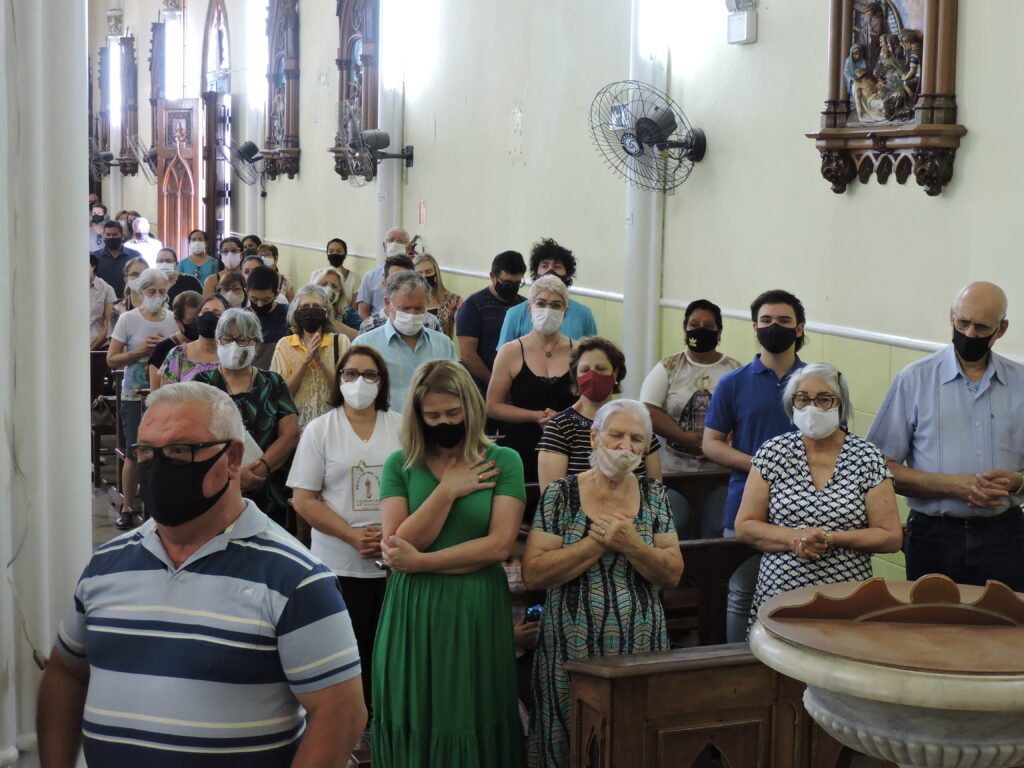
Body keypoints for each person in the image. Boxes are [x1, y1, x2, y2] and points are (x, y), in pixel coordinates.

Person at [37, 382, 366, 767]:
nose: (158, 468)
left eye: (180, 451)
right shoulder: (105, 566)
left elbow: (340, 714)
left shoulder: (295, 578)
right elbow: (66, 672)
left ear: (231, 459)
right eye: (147, 451)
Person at [372, 360, 526, 766]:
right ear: (418, 417)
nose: (445, 423)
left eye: (454, 414)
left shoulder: (504, 460)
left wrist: (422, 562)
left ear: (471, 410)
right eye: (434, 415)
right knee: (418, 709)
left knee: (471, 711)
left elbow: (498, 546)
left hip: (476, 606)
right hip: (413, 609)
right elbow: (397, 543)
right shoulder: (400, 464)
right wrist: (446, 492)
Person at [523, 399, 683, 767]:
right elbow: (535, 572)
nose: (625, 447)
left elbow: (672, 572)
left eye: (636, 440)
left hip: (640, 644)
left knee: (632, 742)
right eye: (616, 436)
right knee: (569, 742)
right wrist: (596, 543)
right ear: (594, 438)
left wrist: (631, 544)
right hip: (570, 649)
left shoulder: (655, 496)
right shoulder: (560, 495)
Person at [867, 281, 1024, 590]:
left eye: (981, 327)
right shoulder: (914, 380)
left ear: (1001, 329)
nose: (969, 335)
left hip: (1006, 536)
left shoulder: (1020, 384)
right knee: (931, 630)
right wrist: (953, 486)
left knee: (1005, 632)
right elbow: (876, 467)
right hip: (934, 536)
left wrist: (1018, 482)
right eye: (962, 323)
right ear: (951, 317)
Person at [736, 363, 902, 635]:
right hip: (780, 596)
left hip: (846, 600)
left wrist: (829, 538)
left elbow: (890, 536)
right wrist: (795, 537)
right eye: (802, 398)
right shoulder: (772, 453)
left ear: (841, 405)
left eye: (824, 399)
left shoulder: (866, 457)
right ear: (792, 405)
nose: (812, 407)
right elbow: (745, 526)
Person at [288, 345, 401, 716]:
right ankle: (351, 719)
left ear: (381, 382)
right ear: (340, 380)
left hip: (394, 558)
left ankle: (384, 718)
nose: (359, 382)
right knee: (348, 649)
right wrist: (352, 536)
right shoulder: (321, 429)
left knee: (389, 647)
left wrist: (391, 535)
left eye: (370, 375)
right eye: (351, 374)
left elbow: (417, 488)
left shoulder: (400, 426)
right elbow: (304, 500)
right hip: (338, 561)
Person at [702, 289, 808, 642]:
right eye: (766, 321)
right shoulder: (733, 383)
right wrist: (762, 465)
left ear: (799, 328)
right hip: (745, 504)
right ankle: (737, 670)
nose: (773, 327)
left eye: (783, 321)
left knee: (797, 598)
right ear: (754, 327)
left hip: (805, 507)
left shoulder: (818, 382)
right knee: (741, 592)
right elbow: (711, 443)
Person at [196, 308, 299, 526]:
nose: (234, 346)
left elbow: (289, 434)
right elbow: (194, 436)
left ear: (256, 344)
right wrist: (232, 474)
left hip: (267, 486)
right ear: (218, 341)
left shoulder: (273, 382)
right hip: (216, 484)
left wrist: (262, 467)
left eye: (243, 339)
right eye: (228, 339)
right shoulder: (202, 384)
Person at [106, 267, 180, 529]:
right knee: (135, 451)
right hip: (133, 392)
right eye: (151, 291)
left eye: (162, 291)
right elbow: (112, 358)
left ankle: (163, 500)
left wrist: (163, 350)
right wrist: (140, 351)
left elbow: (181, 350)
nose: (157, 296)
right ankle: (128, 505)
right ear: (140, 292)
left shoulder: (173, 319)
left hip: (166, 392)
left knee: (166, 448)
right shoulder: (128, 319)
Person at [538, 336, 661, 490]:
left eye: (601, 369)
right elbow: (552, 499)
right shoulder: (559, 427)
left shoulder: (637, 422)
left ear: (615, 373)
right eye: (584, 370)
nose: (592, 376)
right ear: (576, 376)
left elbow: (656, 490)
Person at [488, 274, 577, 483]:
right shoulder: (510, 351)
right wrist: (536, 416)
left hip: (570, 449)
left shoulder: (579, 351)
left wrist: (561, 419)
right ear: (530, 308)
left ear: (566, 311)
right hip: (522, 447)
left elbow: (594, 405)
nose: (548, 310)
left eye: (556, 305)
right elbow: (493, 406)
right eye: (541, 303)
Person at [640, 299, 742, 472]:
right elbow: (648, 409)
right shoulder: (668, 367)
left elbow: (746, 415)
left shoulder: (735, 370)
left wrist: (719, 444)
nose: (700, 330)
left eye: (708, 326)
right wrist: (685, 438)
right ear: (685, 330)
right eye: (694, 324)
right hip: (671, 471)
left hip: (721, 471)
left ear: (719, 333)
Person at [356, 270, 457, 412]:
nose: (412, 314)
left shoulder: (444, 345)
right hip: (386, 427)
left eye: (419, 308)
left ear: (427, 304)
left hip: (431, 428)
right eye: (405, 308)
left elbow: (454, 388)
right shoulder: (365, 345)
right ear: (388, 303)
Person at [271, 284, 351, 430]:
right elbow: (282, 395)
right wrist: (305, 361)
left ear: (325, 312)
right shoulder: (284, 345)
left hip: (333, 427)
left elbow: (345, 392)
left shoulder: (340, 342)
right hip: (296, 429)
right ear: (297, 312)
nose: (311, 310)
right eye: (305, 306)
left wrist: (321, 362)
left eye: (316, 306)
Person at [497, 238, 598, 348]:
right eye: (545, 266)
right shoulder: (514, 314)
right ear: (536, 273)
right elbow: (504, 358)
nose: (551, 271)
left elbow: (592, 355)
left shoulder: (584, 314)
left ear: (568, 275)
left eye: (557, 266)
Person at [456, 249, 528, 394]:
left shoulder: (525, 306)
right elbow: (468, 355)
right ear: (492, 277)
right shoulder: (473, 306)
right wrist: (496, 384)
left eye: (517, 283)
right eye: (507, 283)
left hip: (517, 383)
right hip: (481, 385)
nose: (512, 288)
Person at [356, 255, 445, 335]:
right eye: (395, 279)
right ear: (384, 284)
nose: (401, 285)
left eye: (406, 279)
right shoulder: (369, 326)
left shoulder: (431, 323)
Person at [158, 294, 227, 386]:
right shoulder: (178, 354)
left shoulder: (231, 354)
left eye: (216, 314)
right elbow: (166, 395)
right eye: (204, 312)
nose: (208, 317)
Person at [147, 290, 203, 390]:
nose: (196, 326)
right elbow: (155, 392)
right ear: (177, 320)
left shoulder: (212, 345)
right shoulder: (163, 349)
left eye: (199, 320)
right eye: (190, 322)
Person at [356, 226, 410, 319]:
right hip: (377, 325)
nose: (394, 244)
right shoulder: (370, 277)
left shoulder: (416, 277)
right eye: (391, 240)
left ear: (408, 248)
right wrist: (372, 328)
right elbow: (362, 311)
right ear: (384, 246)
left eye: (400, 241)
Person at [248, 264, 291, 357]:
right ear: (246, 292)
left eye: (266, 300)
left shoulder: (289, 315)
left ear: (277, 294)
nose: (259, 304)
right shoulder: (241, 317)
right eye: (254, 299)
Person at [92, 219, 143, 297]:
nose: (111, 237)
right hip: (102, 302)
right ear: (104, 236)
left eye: (115, 234)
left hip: (129, 301)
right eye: (108, 234)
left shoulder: (135, 256)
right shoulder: (95, 257)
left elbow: (143, 279)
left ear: (122, 235)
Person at [414, 253, 462, 336]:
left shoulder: (453, 300)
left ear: (436, 273)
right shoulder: (407, 301)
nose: (424, 276)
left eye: (428, 272)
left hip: (443, 347)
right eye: (419, 273)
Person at [312, 266, 359, 340]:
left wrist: (332, 321)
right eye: (323, 284)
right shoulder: (305, 311)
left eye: (334, 286)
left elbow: (360, 338)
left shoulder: (349, 313)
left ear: (340, 292)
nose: (328, 289)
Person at [109, 256, 148, 330]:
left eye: (144, 274)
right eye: (134, 274)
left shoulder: (158, 305)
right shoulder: (117, 310)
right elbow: (113, 340)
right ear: (126, 280)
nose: (139, 278)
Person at [89, 253, 116, 350]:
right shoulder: (69, 287)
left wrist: (91, 349)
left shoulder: (106, 289)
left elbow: (110, 325)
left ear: (93, 266)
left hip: (97, 344)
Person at [327, 237, 357, 304]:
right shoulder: (317, 275)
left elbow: (354, 307)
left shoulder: (354, 277)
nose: (334, 254)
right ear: (327, 254)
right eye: (331, 251)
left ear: (345, 254)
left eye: (338, 251)